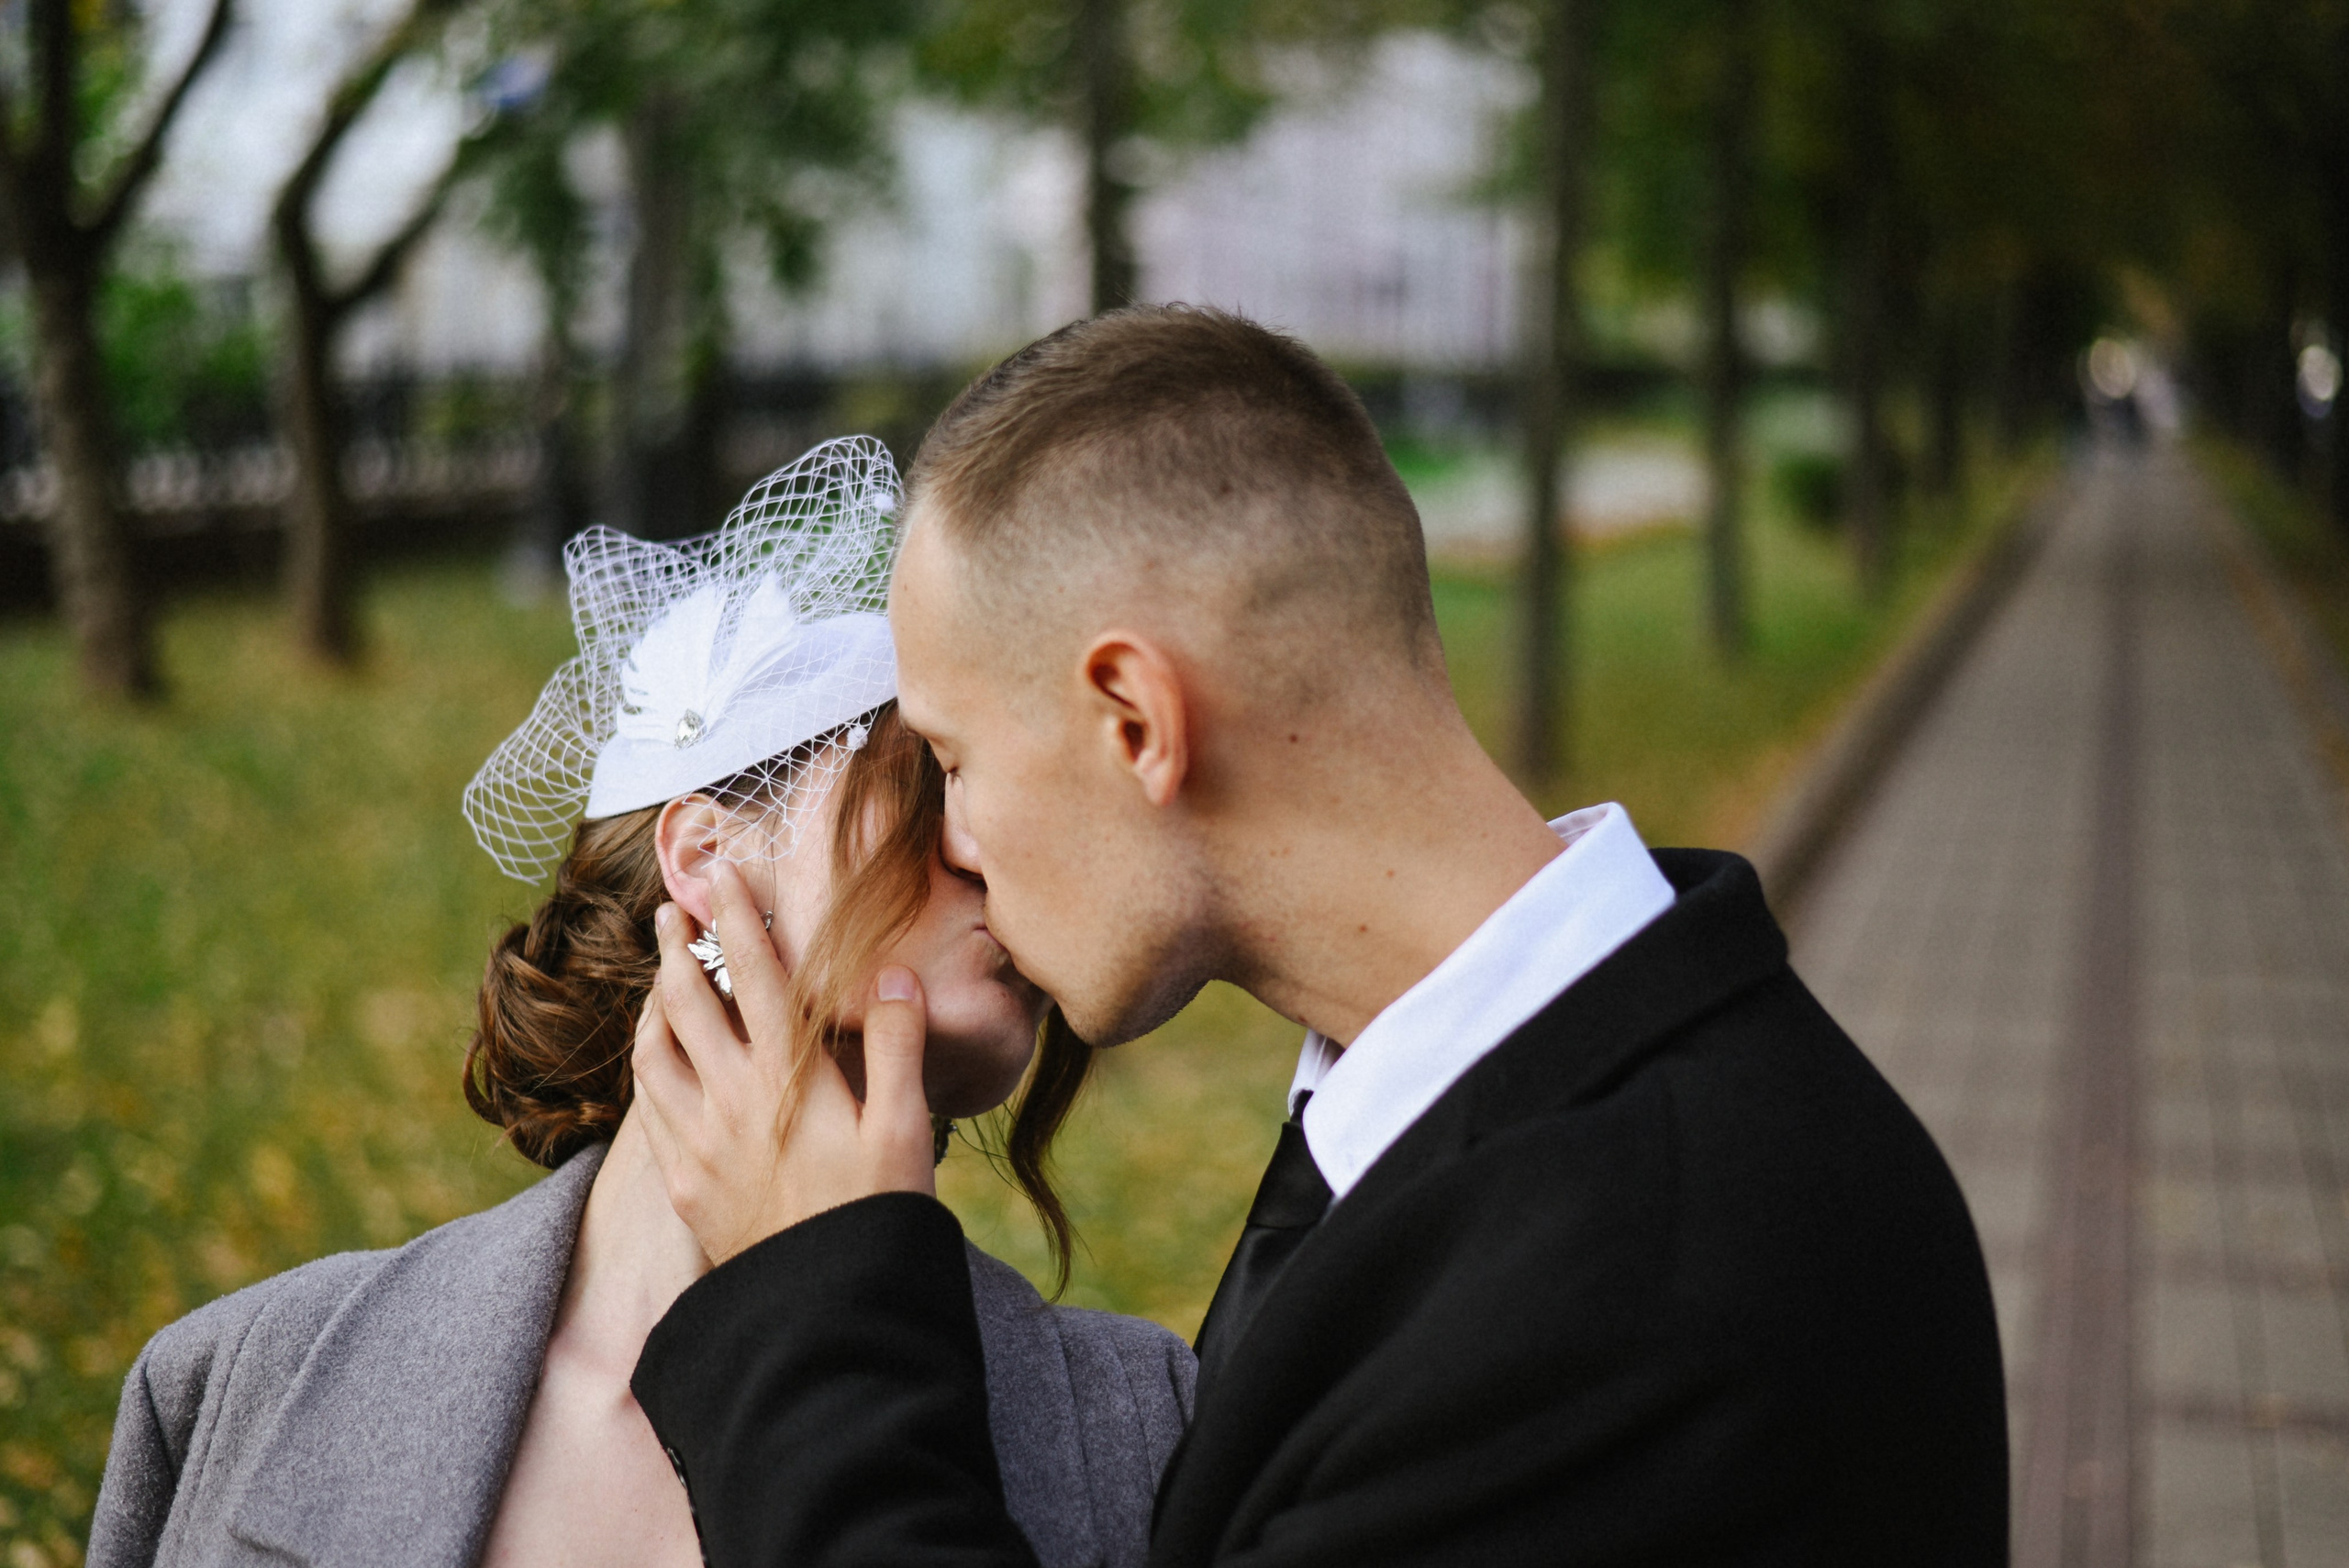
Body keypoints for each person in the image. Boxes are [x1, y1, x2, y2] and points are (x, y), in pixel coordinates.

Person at [624, 308, 2011, 1566]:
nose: (963, 844)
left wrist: (804, 1315)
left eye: (955, 759)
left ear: (1136, 722)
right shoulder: (1486, 1118)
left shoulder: (1635, 1300)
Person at [84, 439, 1194, 1568]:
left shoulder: (1145, 1423)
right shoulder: (233, 1385)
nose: (985, 841)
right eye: (930, 777)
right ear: (707, 851)